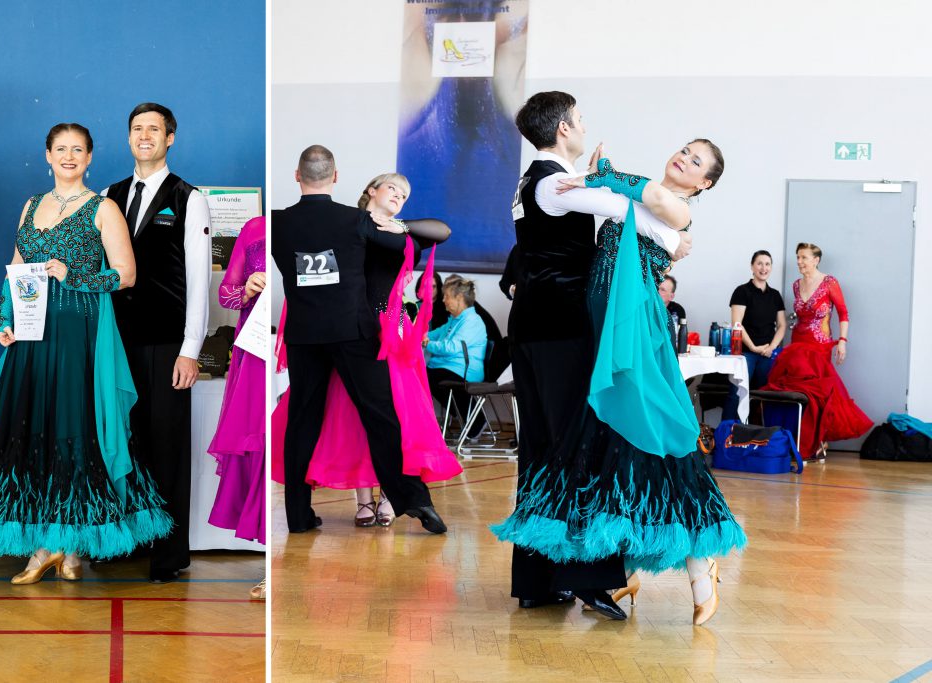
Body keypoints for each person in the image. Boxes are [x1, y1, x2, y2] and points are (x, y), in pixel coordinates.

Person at [493, 133, 747, 627]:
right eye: (684, 150)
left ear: (705, 183)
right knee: (617, 443)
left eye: (696, 161)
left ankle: (699, 563)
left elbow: (651, 199)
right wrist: (600, 180)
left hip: (633, 328)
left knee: (652, 433)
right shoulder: (645, 199)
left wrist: (603, 175)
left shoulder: (675, 207)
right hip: (602, 326)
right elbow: (629, 206)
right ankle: (620, 567)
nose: (684, 158)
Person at [0, 123, 172, 584]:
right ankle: (44, 547)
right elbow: (15, 270)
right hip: (31, 336)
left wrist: (73, 276)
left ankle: (69, 548)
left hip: (78, 336)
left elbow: (126, 275)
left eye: (77, 150)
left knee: (73, 429)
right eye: (60, 149)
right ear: (47, 156)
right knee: (35, 430)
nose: (69, 156)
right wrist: (5, 321)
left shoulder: (104, 208)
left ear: (89, 157)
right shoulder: (31, 205)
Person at [272, 147, 447, 534]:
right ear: (335, 177)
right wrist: (400, 228)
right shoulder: (357, 221)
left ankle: (298, 516)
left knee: (301, 422)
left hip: (304, 335)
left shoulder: (277, 223)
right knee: (382, 417)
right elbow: (412, 247)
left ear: (297, 176)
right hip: (352, 333)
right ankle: (415, 500)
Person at [105, 102, 212, 583]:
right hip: (116, 340)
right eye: (137, 128)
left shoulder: (189, 198)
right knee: (122, 441)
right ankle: (125, 542)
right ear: (128, 137)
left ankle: (168, 553)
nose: (144, 135)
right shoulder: (109, 196)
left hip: (168, 342)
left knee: (166, 445)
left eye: (154, 129)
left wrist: (191, 348)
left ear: (170, 138)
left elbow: (199, 279)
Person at [761, 243, 873, 457]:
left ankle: (818, 440)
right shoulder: (796, 285)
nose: (799, 262)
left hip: (819, 346)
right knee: (795, 391)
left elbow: (843, 313)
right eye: (798, 257)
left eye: (804, 257)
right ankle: (795, 438)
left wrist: (842, 341)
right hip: (797, 345)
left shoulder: (829, 282)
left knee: (817, 393)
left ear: (816, 260)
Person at [207, 216, 266, 571]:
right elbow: (226, 295)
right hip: (255, 346)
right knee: (254, 439)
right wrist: (247, 289)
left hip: (295, 339)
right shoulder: (254, 228)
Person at [721, 250, 786, 420]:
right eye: (759, 263)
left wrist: (771, 348)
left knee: (765, 395)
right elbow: (737, 324)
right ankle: (726, 433)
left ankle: (757, 433)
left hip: (768, 353)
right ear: (752, 267)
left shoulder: (775, 295)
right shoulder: (742, 291)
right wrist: (753, 347)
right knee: (737, 392)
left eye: (767, 264)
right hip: (745, 352)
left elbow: (782, 325)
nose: (764, 268)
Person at [424, 276, 488, 432]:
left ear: (459, 298)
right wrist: (418, 336)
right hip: (450, 368)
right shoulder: (454, 320)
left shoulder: (472, 321)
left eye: (446, 296)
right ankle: (468, 418)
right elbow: (433, 334)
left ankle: (476, 421)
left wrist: (426, 343)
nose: (443, 300)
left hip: (464, 371)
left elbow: (451, 347)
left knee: (426, 376)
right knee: (423, 375)